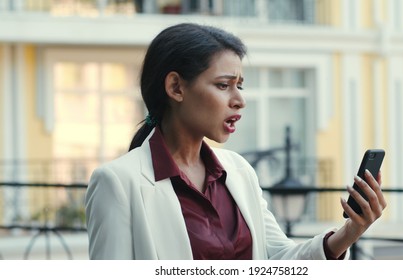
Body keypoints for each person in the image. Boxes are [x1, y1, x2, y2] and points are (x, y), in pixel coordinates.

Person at [85, 22, 387, 260]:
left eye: (239, 85)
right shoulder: (117, 183)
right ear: (176, 87)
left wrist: (350, 231)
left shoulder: (239, 172)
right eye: (223, 85)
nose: (240, 100)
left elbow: (280, 259)